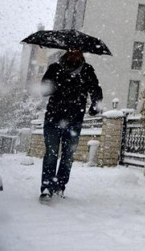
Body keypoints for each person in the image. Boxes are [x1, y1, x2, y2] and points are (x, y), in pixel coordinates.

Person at [40, 48, 103, 199]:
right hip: (53, 117)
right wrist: (59, 82)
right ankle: (47, 187)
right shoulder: (55, 68)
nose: (75, 55)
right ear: (67, 52)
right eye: (73, 51)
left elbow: (95, 88)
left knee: (68, 155)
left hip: (74, 119)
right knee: (51, 154)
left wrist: (95, 104)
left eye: (79, 52)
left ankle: (60, 185)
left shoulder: (87, 70)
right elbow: (44, 89)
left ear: (82, 53)